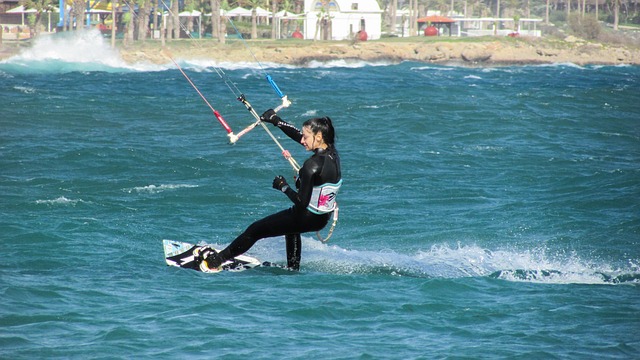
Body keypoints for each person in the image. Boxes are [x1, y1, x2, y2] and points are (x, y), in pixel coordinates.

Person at [199, 109, 342, 271]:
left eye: (306, 137)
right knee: (291, 229)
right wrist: (277, 121)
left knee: (255, 230)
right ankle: (293, 269)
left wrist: (283, 186)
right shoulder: (332, 154)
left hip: (307, 216)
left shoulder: (312, 166)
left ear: (318, 137)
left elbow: (302, 203)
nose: (302, 140)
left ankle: (216, 261)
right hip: (322, 217)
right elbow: (298, 136)